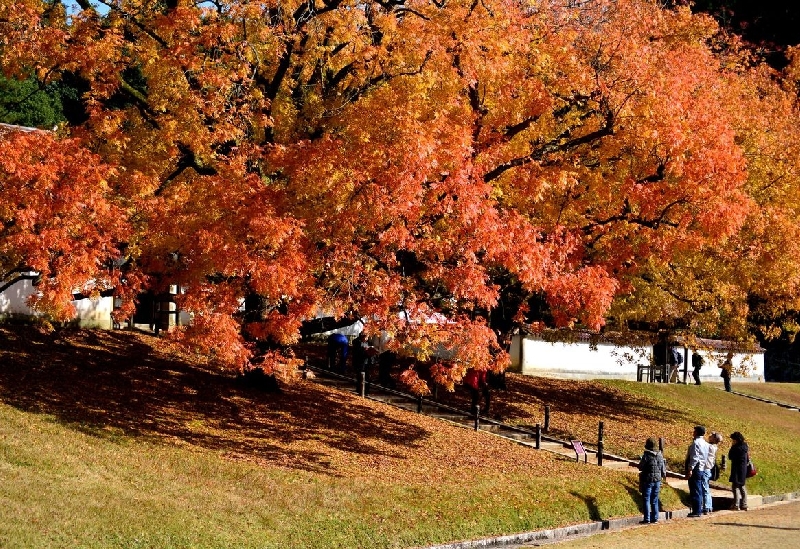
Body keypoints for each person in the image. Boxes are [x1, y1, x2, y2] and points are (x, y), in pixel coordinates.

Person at [638, 438, 667, 524]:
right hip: (657, 480)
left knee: (646, 499)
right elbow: (663, 469)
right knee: (655, 499)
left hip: (647, 479)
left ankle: (647, 518)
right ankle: (655, 518)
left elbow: (641, 467)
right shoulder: (660, 455)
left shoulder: (646, 456)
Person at [684, 425, 710, 517]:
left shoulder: (696, 443)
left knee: (695, 490)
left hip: (696, 468)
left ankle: (696, 511)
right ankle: (699, 508)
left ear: (696, 432)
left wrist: (690, 469)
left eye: (694, 431)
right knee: (699, 489)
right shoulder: (706, 444)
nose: (693, 433)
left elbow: (694, 458)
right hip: (702, 468)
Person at [728, 431, 749, 511]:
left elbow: (730, 456)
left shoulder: (735, 448)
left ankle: (736, 505)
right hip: (743, 469)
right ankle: (744, 504)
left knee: (735, 487)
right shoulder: (745, 446)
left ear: (736, 440)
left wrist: (732, 447)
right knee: (742, 486)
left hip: (736, 469)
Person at [703, 432, 723, 513]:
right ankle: (709, 506)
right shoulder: (712, 446)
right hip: (708, 469)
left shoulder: (710, 447)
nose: (709, 436)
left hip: (706, 469)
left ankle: (707, 507)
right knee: (706, 487)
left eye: (711, 435)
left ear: (714, 439)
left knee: (705, 488)